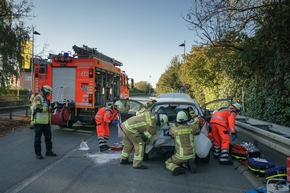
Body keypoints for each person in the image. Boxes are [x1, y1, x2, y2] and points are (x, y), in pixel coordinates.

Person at [165, 110, 200, 176]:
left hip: (180, 156)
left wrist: (174, 124)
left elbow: (169, 131)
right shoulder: (192, 128)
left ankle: (176, 168)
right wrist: (193, 115)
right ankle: (187, 164)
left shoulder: (174, 129)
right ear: (186, 119)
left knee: (168, 162)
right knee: (184, 161)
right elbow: (197, 123)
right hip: (192, 155)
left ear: (177, 120)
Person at [31, 85, 56, 159]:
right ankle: (38, 154)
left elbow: (47, 110)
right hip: (38, 122)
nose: (49, 95)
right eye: (48, 93)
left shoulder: (47, 100)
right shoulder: (37, 98)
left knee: (48, 138)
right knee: (37, 139)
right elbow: (38, 108)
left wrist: (51, 109)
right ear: (44, 91)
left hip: (46, 122)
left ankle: (49, 151)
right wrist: (48, 108)